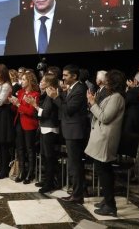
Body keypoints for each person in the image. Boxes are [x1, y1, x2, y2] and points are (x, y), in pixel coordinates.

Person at [85, 69, 127, 217]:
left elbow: (105, 117)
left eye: (108, 80)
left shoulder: (117, 98)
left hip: (105, 139)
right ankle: (106, 200)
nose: (105, 82)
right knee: (103, 171)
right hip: (101, 138)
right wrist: (94, 103)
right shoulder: (113, 96)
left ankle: (110, 205)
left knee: (105, 172)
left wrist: (92, 103)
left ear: (113, 82)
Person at [48, 64, 88, 204]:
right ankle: (78, 191)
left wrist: (55, 97)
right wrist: (62, 94)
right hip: (70, 130)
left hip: (75, 131)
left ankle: (77, 195)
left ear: (74, 76)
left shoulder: (80, 89)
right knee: (74, 164)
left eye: (65, 75)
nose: (63, 78)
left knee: (75, 164)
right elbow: (66, 103)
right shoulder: (72, 88)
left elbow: (69, 109)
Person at [26, 73, 60, 193]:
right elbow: (39, 114)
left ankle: (50, 183)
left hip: (50, 129)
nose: (41, 82)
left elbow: (45, 113)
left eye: (43, 80)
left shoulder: (51, 94)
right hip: (44, 128)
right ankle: (47, 180)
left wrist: (34, 105)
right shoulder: (45, 95)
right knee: (45, 157)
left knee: (49, 157)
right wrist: (34, 106)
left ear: (49, 83)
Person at [9, 72, 40, 184]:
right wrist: (13, 103)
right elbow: (17, 109)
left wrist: (18, 105)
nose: (21, 81)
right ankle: (22, 172)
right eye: (21, 79)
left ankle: (30, 173)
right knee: (20, 149)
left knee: (30, 149)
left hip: (29, 124)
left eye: (23, 79)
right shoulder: (21, 92)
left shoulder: (35, 94)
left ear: (29, 81)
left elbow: (31, 112)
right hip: (19, 123)